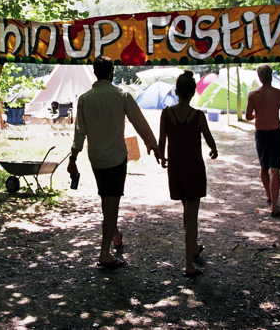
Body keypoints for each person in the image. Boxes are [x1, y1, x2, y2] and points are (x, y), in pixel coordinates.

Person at [67, 56, 160, 269]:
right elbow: (139, 121)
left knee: (105, 198)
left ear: (95, 72)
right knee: (112, 202)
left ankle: (116, 235)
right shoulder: (122, 95)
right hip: (117, 157)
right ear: (111, 72)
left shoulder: (84, 99)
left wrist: (74, 156)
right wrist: (152, 144)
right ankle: (104, 253)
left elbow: (79, 131)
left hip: (96, 158)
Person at [157, 71, 218, 278]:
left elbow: (161, 142)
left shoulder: (166, 114)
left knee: (187, 211)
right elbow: (209, 139)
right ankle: (189, 265)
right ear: (193, 93)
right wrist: (213, 149)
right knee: (192, 216)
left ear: (177, 92)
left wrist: (162, 157)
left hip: (176, 169)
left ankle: (194, 247)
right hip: (194, 169)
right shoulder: (198, 115)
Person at [245, 64, 280, 218]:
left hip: (261, 134)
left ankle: (268, 195)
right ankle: (274, 207)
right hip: (275, 133)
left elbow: (248, 116)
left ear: (259, 77)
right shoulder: (279, 93)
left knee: (264, 167)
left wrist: (257, 115)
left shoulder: (253, 95)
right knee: (275, 169)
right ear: (271, 76)